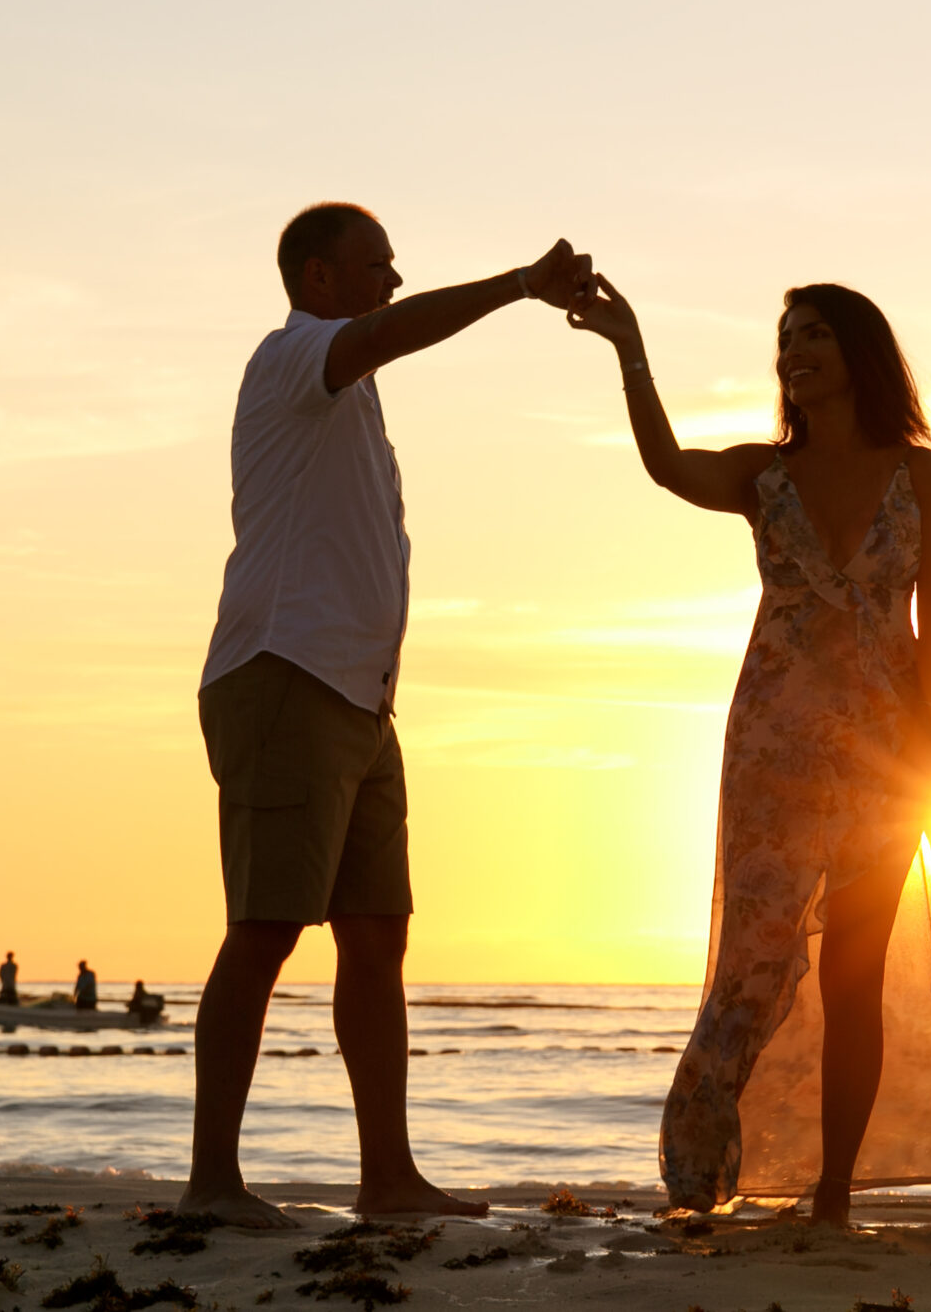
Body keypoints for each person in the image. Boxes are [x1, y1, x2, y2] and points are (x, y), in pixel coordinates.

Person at [568, 275, 931, 1225]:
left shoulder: (920, 474)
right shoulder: (760, 476)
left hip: (886, 757)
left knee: (856, 975)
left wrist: (929, 747)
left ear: (858, 353)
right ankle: (700, 1170)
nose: (792, 352)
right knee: (754, 963)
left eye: (812, 334)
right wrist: (629, 345)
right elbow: (664, 465)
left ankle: (835, 1193)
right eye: (785, 341)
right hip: (774, 753)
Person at [181, 202, 591, 1230]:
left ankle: (389, 1178)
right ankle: (212, 1185)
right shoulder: (297, 355)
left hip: (359, 698)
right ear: (320, 278)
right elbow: (383, 335)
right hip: (283, 674)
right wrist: (516, 285)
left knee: (376, 933)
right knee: (266, 930)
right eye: (379, 264)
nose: (395, 280)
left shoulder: (347, 392)